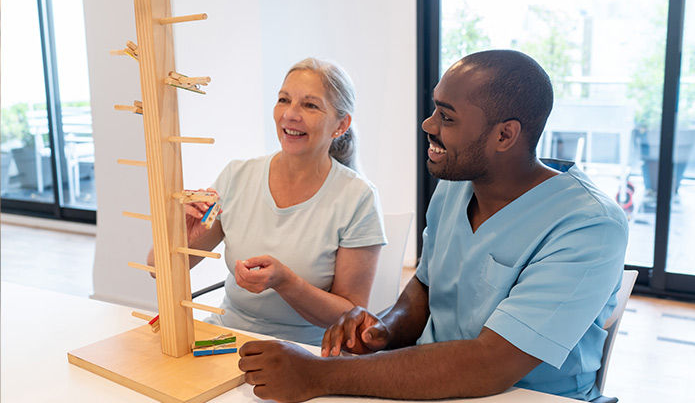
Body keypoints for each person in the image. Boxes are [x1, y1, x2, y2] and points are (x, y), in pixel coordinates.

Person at [236, 50, 628, 402]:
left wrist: (317, 375)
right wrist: (385, 329)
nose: (427, 124)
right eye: (434, 109)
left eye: (447, 117)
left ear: (505, 135)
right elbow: (425, 286)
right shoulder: (454, 189)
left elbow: (490, 364)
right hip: (429, 381)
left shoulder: (589, 225)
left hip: (528, 394)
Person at [148, 58, 387, 346]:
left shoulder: (358, 198)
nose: (290, 114)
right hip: (226, 339)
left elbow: (352, 315)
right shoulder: (237, 175)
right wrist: (179, 232)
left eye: (310, 105)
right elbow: (156, 270)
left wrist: (287, 282)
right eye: (284, 100)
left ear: (341, 124)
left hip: (307, 353)